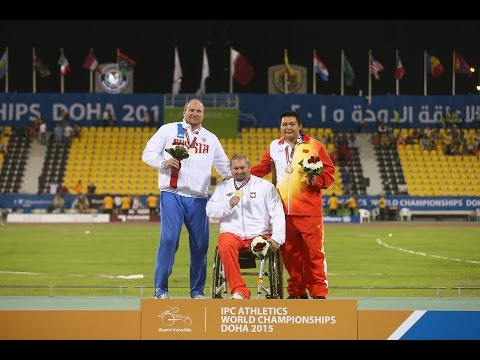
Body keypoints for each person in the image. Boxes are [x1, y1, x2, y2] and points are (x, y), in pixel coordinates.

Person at [142, 98, 231, 299]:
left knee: (201, 245)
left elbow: (225, 168)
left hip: (199, 198)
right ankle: (161, 289)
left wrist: (243, 181)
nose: (195, 113)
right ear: (184, 111)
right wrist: (163, 162)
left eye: (199, 111)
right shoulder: (168, 131)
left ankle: (197, 292)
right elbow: (147, 154)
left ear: (203, 114)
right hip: (172, 194)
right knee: (169, 239)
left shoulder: (211, 139)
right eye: (191, 110)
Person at [250, 110, 335, 299]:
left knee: (314, 254)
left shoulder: (315, 145)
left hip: (309, 211)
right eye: (284, 124)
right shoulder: (274, 147)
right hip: (282, 212)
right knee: (290, 255)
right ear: (280, 127)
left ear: (299, 126)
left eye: (292, 124)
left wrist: (318, 180)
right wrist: (241, 174)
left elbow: (329, 173)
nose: (288, 127)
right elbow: (263, 168)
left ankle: (319, 292)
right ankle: (297, 291)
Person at [206, 154, 285, 299]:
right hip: (232, 234)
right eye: (235, 168)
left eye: (242, 167)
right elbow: (210, 211)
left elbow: (278, 213)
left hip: (259, 234)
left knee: (262, 243)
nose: (239, 171)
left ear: (249, 168)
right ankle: (239, 291)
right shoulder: (222, 188)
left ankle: (256, 288)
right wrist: (228, 204)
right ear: (230, 170)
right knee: (224, 243)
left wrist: (277, 239)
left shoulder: (265, 187)